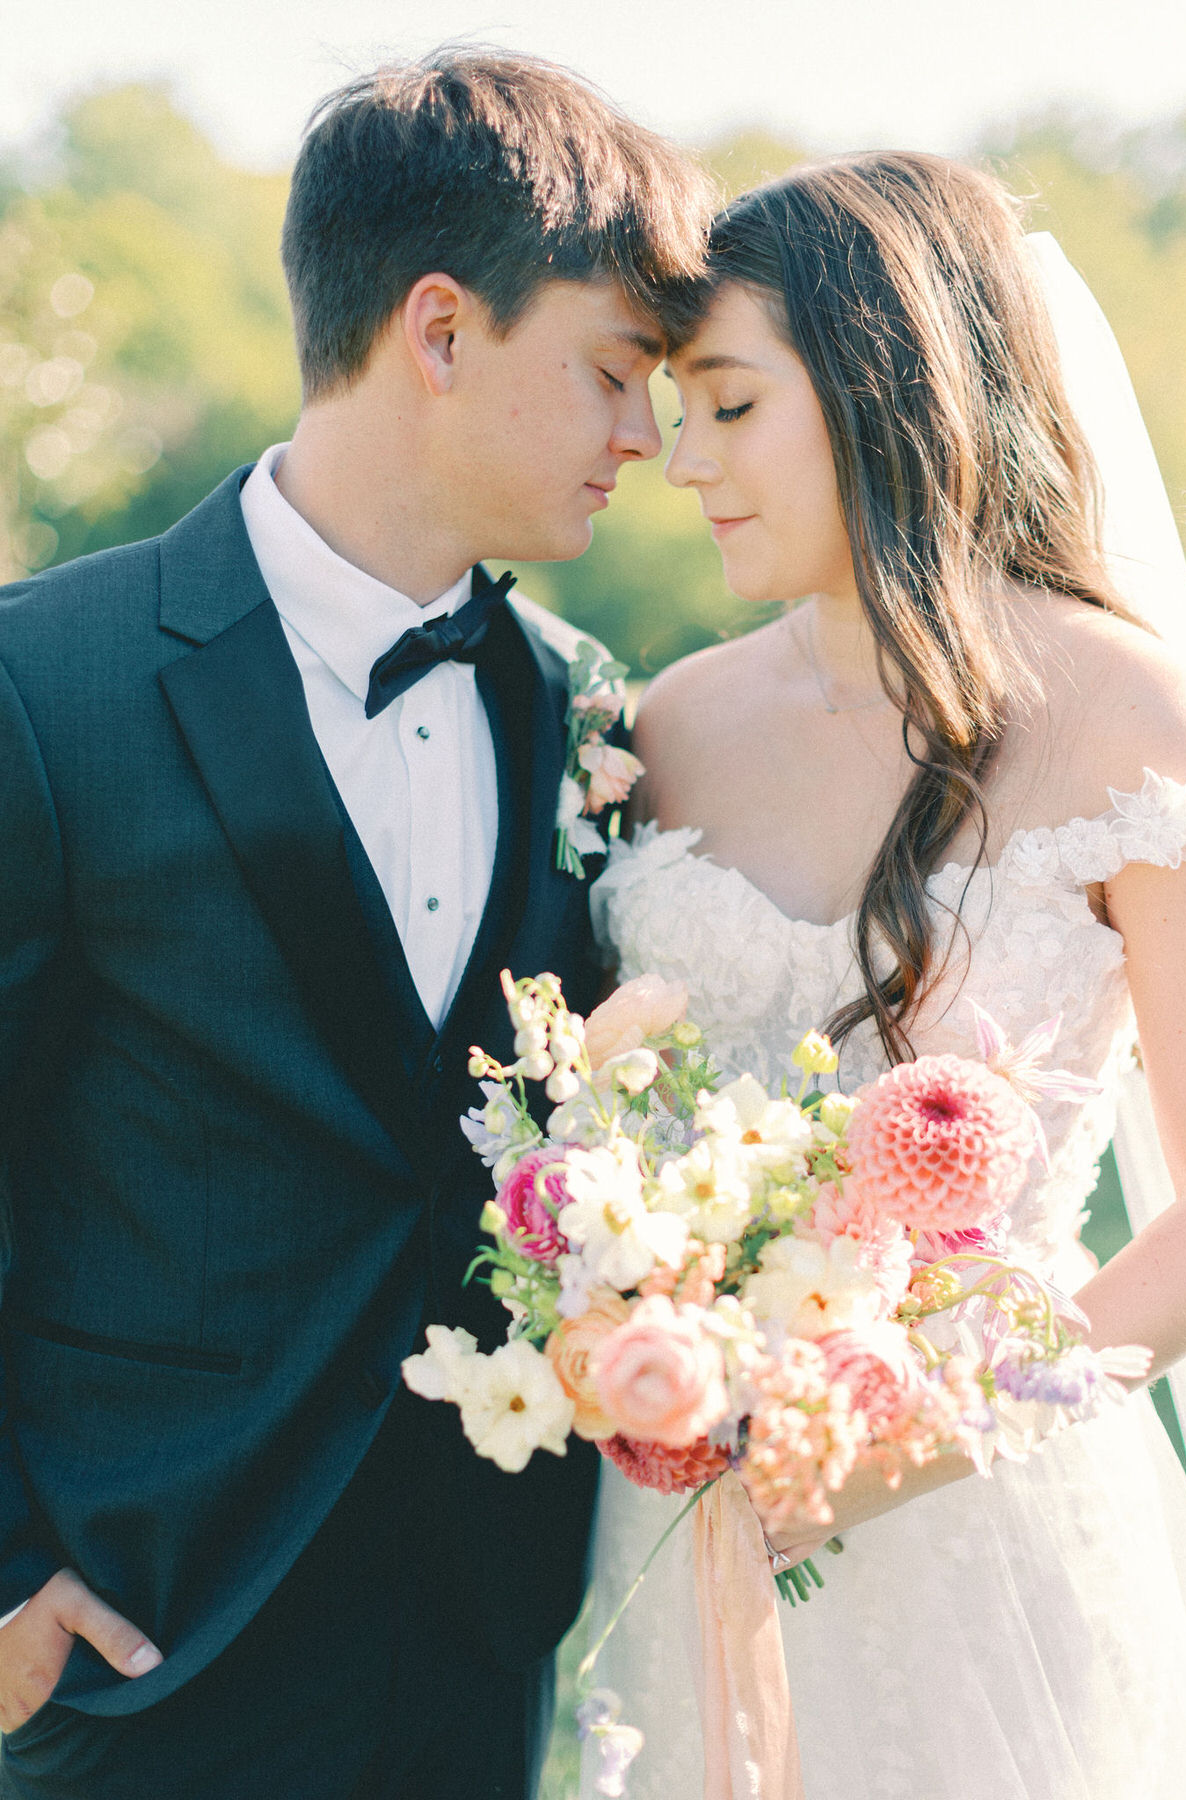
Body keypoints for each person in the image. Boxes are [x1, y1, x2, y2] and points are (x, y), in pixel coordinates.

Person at [0, 47, 711, 1800]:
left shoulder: (580, 707)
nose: (648, 439)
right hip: (130, 1644)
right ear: (442, 331)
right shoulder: (43, 680)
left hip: (475, 1646)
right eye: (616, 374)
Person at [586, 153, 1186, 1798]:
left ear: (879, 390)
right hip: (685, 1519)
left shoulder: (1133, 721)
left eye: (726, 406)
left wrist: (904, 1442)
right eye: (670, 409)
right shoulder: (669, 728)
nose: (678, 461)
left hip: (995, 1516)